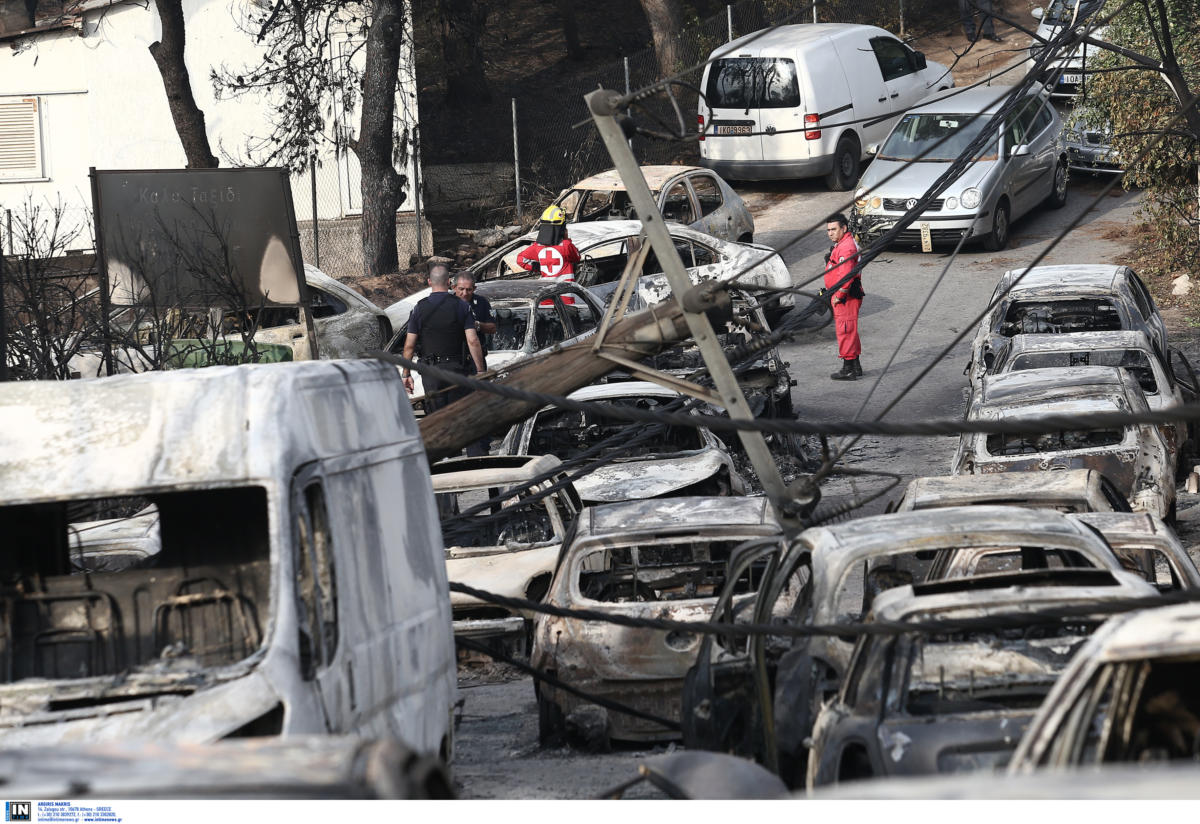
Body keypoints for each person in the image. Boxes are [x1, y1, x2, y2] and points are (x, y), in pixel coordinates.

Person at [402, 263, 486, 413]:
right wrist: (480, 372)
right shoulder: (462, 306)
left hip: (431, 372)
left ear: (429, 282)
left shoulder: (418, 308)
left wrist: (406, 374)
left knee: (437, 417)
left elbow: (409, 346)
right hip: (457, 370)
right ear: (449, 282)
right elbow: (473, 341)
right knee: (460, 415)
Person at [453, 270, 496, 456]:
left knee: (479, 407)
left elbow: (493, 327)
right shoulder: (447, 305)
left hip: (475, 362)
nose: (464, 293)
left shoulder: (481, 303)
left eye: (469, 290)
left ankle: (478, 449)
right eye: (461, 289)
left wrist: (476, 325)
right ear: (453, 287)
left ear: (474, 289)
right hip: (454, 362)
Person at [824, 213, 864, 381]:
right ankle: (855, 365)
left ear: (844, 228)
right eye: (828, 230)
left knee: (845, 331)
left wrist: (839, 295)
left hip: (845, 297)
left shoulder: (846, 247)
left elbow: (846, 275)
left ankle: (848, 369)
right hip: (846, 295)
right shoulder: (843, 243)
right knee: (850, 330)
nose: (830, 233)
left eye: (834, 229)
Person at [517, 205, 581, 304]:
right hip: (565, 298)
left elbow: (520, 259)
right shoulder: (566, 245)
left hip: (545, 297)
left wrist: (537, 266)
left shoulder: (537, 246)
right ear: (562, 228)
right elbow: (577, 257)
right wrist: (567, 238)